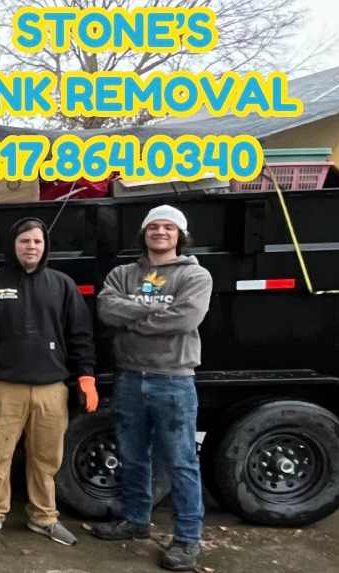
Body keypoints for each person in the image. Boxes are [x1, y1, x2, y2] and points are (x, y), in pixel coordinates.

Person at [0, 217, 98, 546]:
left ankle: (44, 517)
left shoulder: (62, 285)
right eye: (24, 241)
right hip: (4, 389)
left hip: (52, 390)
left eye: (37, 241)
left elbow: (80, 336)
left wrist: (86, 375)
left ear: (45, 246)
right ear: (13, 246)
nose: (31, 247)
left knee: (46, 459)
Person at [91, 205, 213, 572]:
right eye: (153, 227)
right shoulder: (122, 274)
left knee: (180, 462)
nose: (160, 232)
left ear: (180, 235)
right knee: (132, 456)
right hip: (129, 377)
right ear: (144, 233)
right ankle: (135, 520)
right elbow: (106, 309)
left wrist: (134, 321)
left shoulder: (195, 275)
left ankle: (187, 539)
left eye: (168, 227)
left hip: (173, 379)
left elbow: (186, 317)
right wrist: (154, 315)